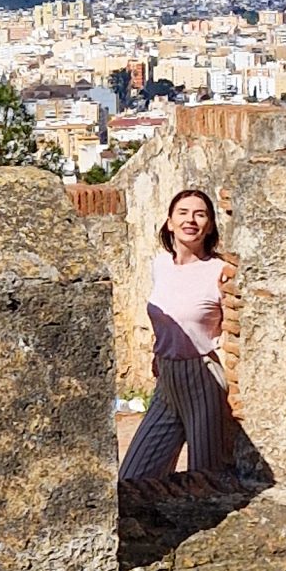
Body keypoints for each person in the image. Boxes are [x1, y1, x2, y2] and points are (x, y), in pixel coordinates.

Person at [118, 187, 234, 488]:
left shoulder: (219, 271)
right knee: (133, 479)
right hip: (167, 380)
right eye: (183, 213)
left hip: (203, 379)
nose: (191, 220)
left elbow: (235, 329)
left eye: (200, 214)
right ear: (169, 222)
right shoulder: (160, 265)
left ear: (209, 225)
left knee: (206, 479)